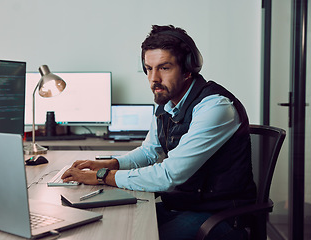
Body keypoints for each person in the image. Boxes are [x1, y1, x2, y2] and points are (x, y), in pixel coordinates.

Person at [61, 25, 256, 240]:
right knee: (103, 223)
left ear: (188, 69)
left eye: (164, 68)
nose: (154, 79)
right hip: (183, 206)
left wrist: (102, 177)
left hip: (218, 216)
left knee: (131, 235)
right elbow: (149, 152)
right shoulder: (167, 105)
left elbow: (169, 175)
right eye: (148, 68)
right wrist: (110, 164)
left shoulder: (215, 107)